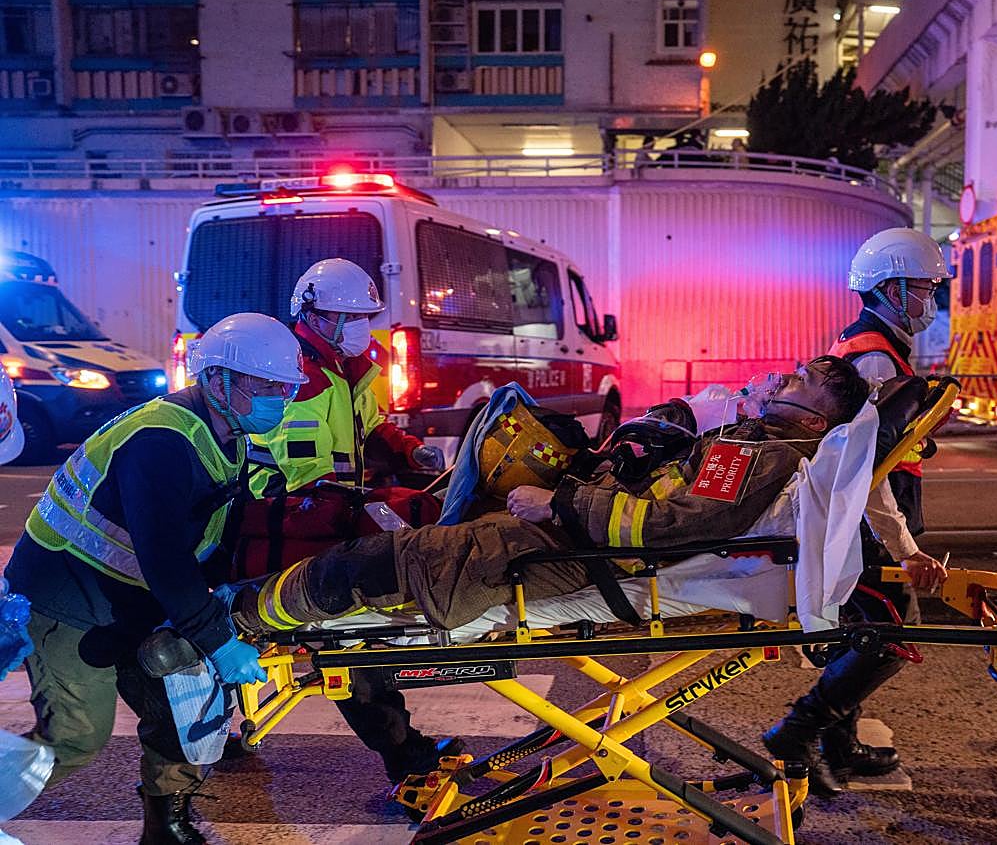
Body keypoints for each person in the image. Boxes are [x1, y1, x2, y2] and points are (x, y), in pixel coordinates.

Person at [229, 358, 870, 636]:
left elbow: (673, 528)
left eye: (801, 382)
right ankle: (251, 608)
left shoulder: (763, 453)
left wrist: (558, 502)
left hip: (573, 550)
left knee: (392, 562)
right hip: (578, 537)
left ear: (815, 423)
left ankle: (246, 619)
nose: (783, 377)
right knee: (397, 546)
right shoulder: (750, 440)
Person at [5, 312, 307, 845]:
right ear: (218, 379)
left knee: (185, 711)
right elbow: (163, 556)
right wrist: (218, 640)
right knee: (77, 739)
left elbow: (211, 532)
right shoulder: (159, 440)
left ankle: (165, 827)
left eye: (285, 387)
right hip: (71, 602)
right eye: (267, 386)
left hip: (138, 599)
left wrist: (219, 601)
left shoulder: (229, 434)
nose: (280, 398)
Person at [243, 258, 455, 795]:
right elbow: (293, 475)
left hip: (332, 515)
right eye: (344, 316)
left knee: (360, 634)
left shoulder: (358, 364)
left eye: (363, 315)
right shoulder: (293, 375)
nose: (357, 326)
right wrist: (361, 507)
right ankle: (404, 754)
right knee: (349, 639)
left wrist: (411, 451)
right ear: (310, 314)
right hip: (294, 522)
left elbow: (375, 424)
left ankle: (405, 747)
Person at [762, 227, 951, 796]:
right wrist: (906, 548)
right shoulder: (873, 360)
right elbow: (862, 474)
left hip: (862, 520)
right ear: (891, 290)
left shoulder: (873, 347)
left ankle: (838, 748)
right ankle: (796, 733)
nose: (931, 301)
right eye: (924, 289)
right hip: (865, 524)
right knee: (889, 634)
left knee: (857, 636)